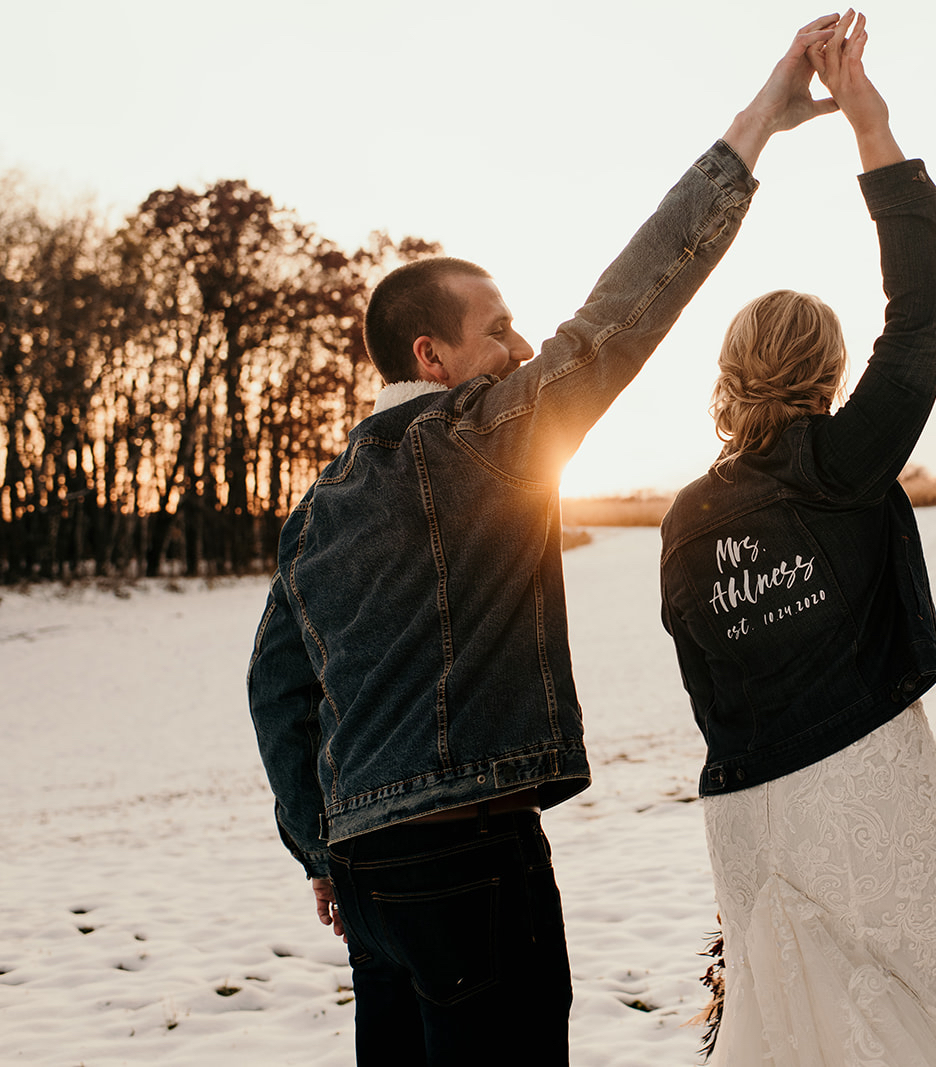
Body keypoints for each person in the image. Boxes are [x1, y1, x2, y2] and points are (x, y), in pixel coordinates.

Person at [245, 15, 848, 1065]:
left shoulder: (318, 507)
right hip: (471, 859)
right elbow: (626, 306)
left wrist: (319, 845)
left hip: (369, 876)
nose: (523, 347)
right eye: (498, 329)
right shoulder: (483, 438)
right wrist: (755, 126)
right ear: (432, 355)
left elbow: (275, 688)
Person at [659, 13, 936, 1066]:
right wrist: (870, 127)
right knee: (902, 1010)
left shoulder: (684, 519)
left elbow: (705, 678)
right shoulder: (844, 463)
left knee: (786, 1023)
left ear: (728, 375)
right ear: (831, 372)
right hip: (864, 783)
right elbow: (924, 310)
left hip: (745, 803)